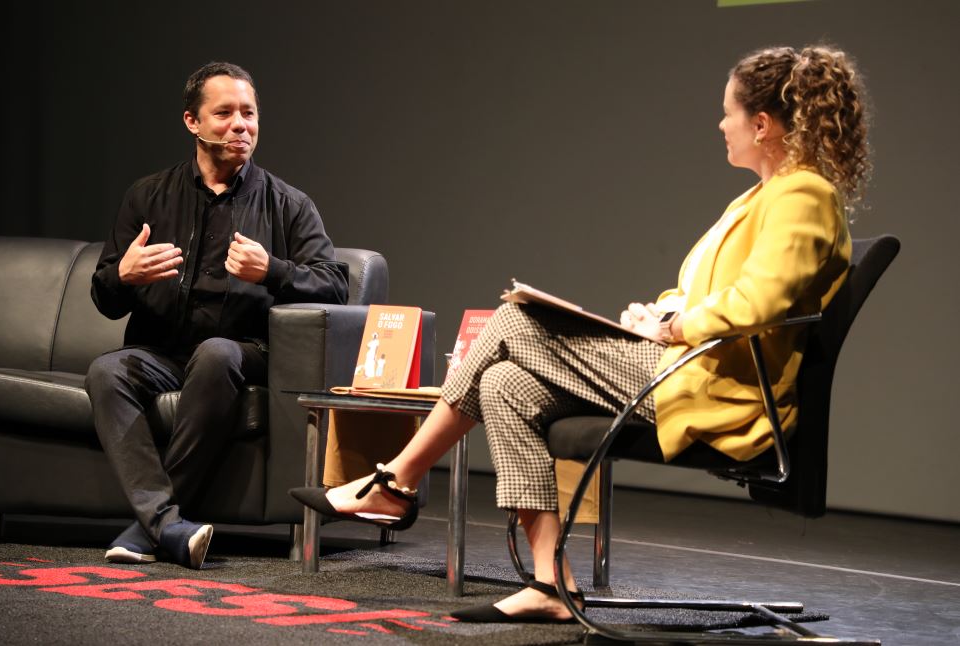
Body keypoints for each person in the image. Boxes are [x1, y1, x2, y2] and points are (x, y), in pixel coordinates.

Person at [291, 44, 869, 621]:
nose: (721, 125)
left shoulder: (804, 195)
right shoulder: (758, 198)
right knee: (504, 384)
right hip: (685, 370)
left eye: (728, 113)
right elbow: (705, 290)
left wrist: (672, 327)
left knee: (514, 320)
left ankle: (398, 479)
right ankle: (551, 585)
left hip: (719, 394)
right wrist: (658, 313)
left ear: (761, 124)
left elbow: (759, 302)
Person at [86, 62, 349, 569]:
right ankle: (166, 525)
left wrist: (272, 270)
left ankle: (149, 527)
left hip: (243, 353)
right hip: (162, 352)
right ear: (193, 122)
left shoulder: (287, 204)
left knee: (215, 354)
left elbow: (335, 284)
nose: (240, 126)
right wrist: (124, 274)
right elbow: (104, 298)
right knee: (106, 371)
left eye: (249, 114)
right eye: (224, 113)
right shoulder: (147, 196)